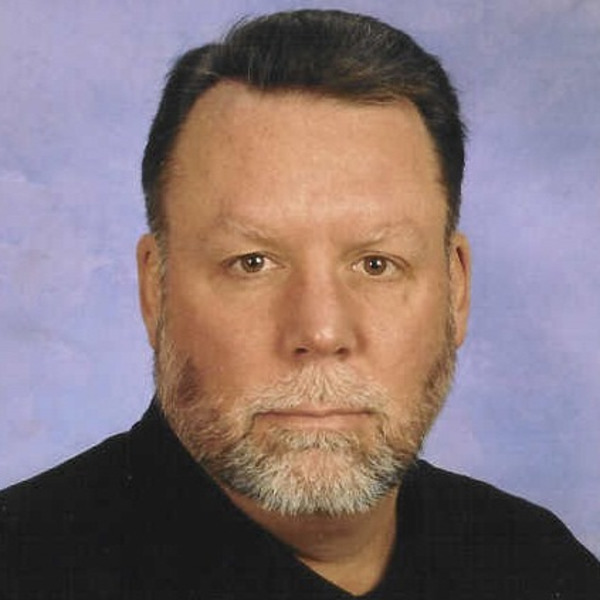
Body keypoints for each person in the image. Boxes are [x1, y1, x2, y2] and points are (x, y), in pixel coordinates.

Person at [1, 9, 598, 599]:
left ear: (456, 291)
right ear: (155, 290)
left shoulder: (541, 565)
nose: (320, 331)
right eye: (252, 263)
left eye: (376, 264)